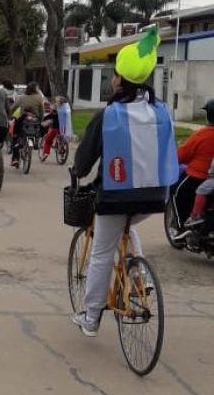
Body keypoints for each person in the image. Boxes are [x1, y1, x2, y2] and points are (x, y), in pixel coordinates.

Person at [72, 26, 178, 337]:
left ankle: (91, 318)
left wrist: (78, 173)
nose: (113, 79)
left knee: (102, 252)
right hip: (156, 196)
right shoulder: (161, 111)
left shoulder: (110, 115)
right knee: (128, 226)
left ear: (121, 80)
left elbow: (84, 161)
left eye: (115, 74)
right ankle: (139, 273)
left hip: (116, 197)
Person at [173, 98, 214, 224]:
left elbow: (181, 156)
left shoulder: (201, 135)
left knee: (177, 193)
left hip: (199, 177)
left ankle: (181, 226)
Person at [10, 82, 45, 168]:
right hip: (35, 120)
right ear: (35, 89)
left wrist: (10, 115)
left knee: (15, 136)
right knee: (39, 129)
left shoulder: (21, 97)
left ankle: (15, 158)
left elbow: (13, 107)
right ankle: (37, 141)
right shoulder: (39, 98)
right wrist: (41, 119)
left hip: (23, 120)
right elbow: (42, 111)